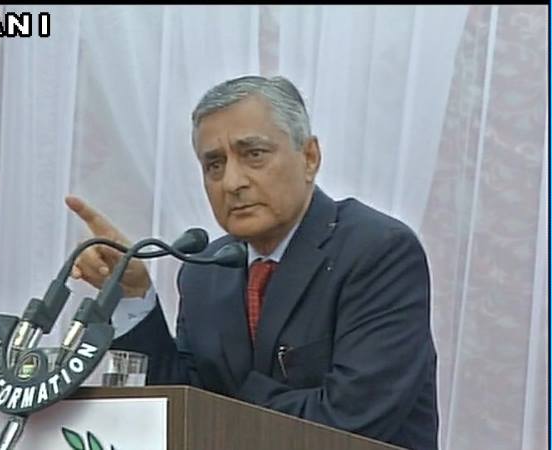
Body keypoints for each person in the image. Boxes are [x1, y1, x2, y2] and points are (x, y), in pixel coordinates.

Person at [66, 75, 438, 450]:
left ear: (310, 157)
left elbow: (350, 423)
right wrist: (134, 294)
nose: (232, 182)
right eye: (214, 164)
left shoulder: (377, 251)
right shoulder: (204, 270)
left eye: (254, 154)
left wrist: (232, 403)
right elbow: (177, 411)